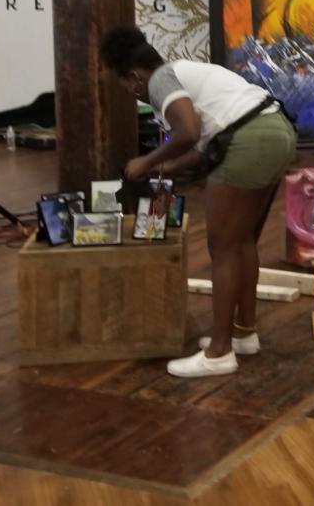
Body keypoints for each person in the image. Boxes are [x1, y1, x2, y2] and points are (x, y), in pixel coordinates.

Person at [99, 26, 297, 379]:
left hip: (249, 140)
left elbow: (188, 132)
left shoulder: (160, 81)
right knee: (242, 240)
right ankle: (244, 333)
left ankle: (219, 352)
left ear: (134, 76)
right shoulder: (187, 72)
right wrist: (162, 167)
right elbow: (203, 145)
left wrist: (144, 161)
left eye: (126, 86)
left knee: (222, 248)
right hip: (276, 130)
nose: (131, 94)